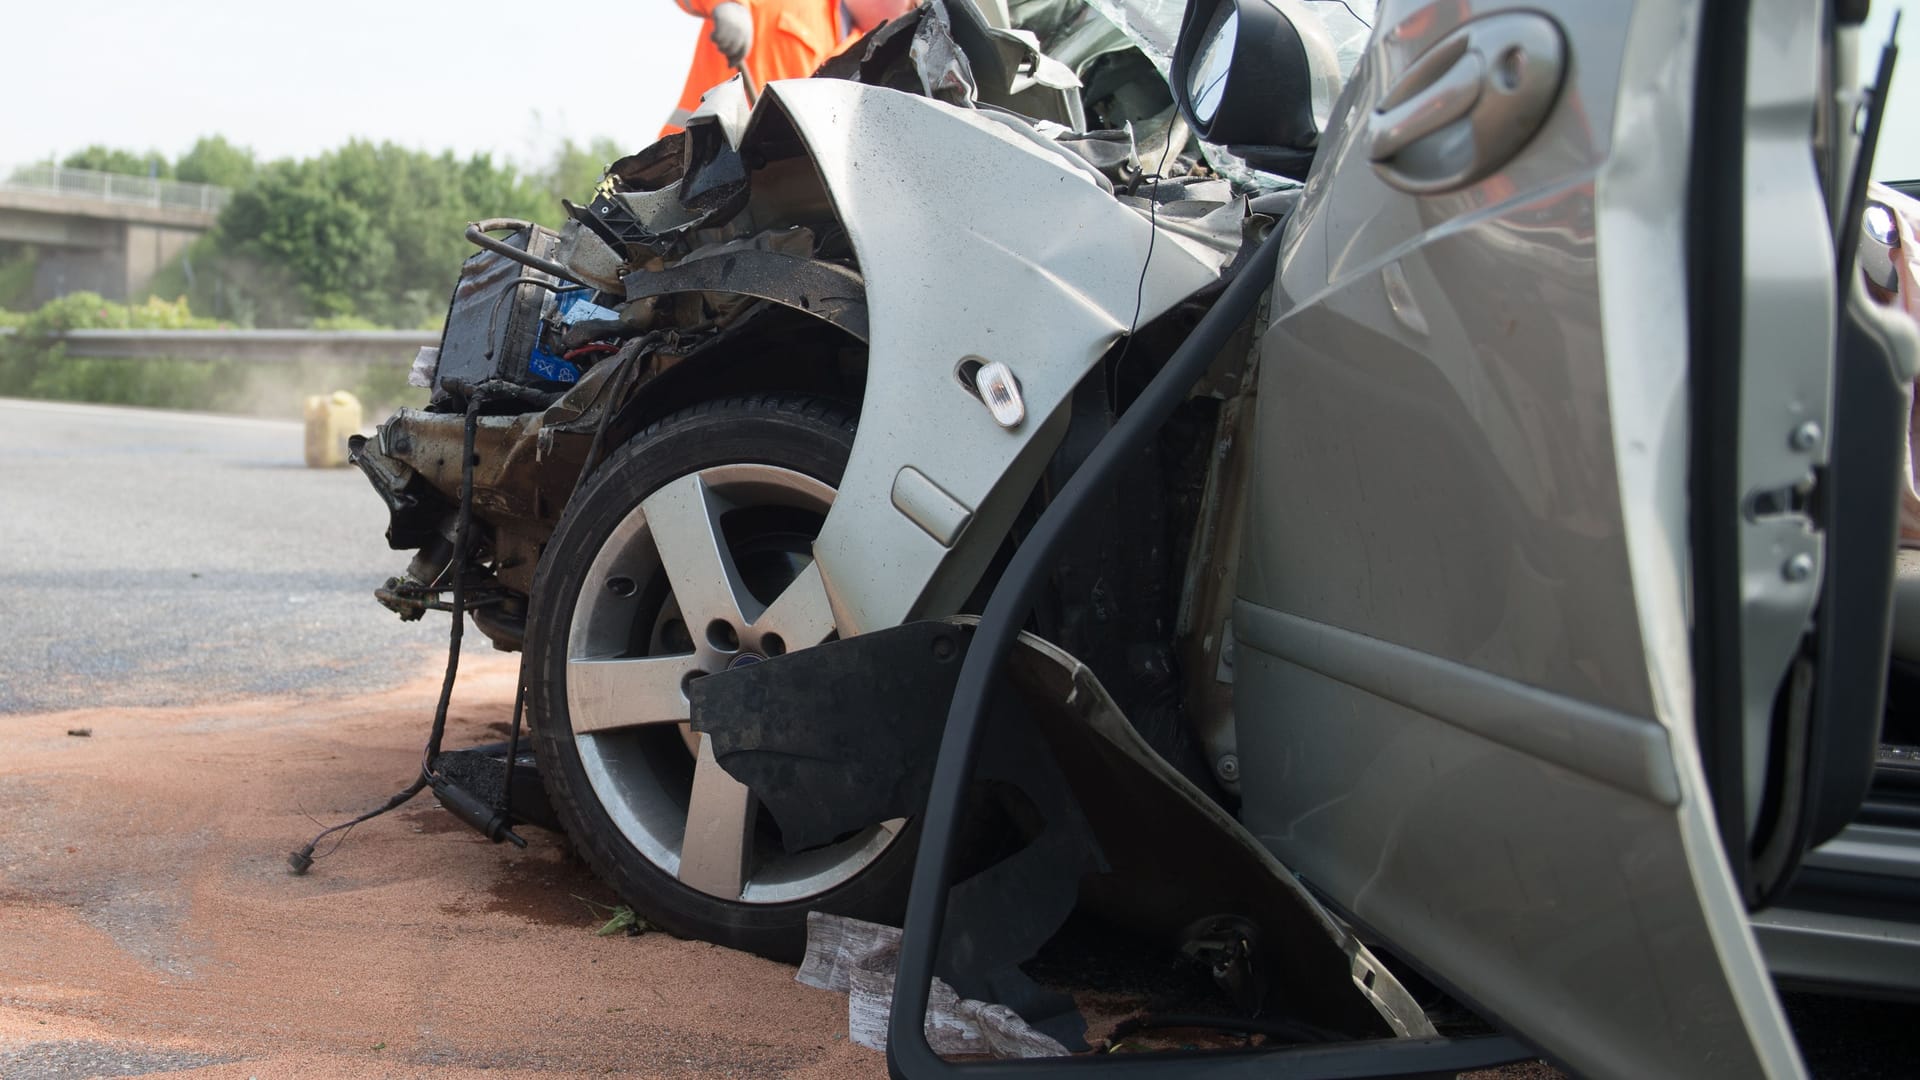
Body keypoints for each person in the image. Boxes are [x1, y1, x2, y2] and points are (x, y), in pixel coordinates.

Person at [663, 0, 914, 135]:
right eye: (910, 5)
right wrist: (728, 4)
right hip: (681, 162)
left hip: (751, 193)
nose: (906, 15)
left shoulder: (862, 58)